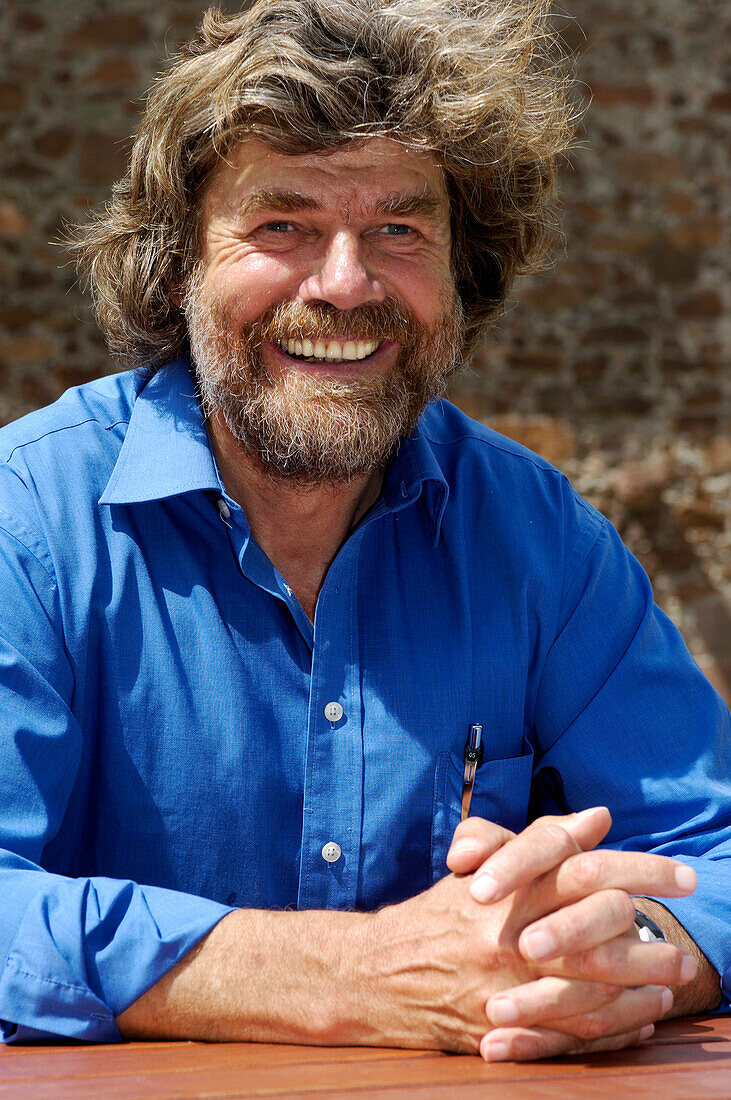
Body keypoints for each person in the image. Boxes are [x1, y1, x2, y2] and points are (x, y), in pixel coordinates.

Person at [0, 0, 727, 1061]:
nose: (343, 285)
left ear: (457, 276)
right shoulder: (29, 522)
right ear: (176, 265)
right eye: (281, 225)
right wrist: (346, 973)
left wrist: (624, 953)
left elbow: (711, 844)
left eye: (397, 229)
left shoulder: (538, 539)